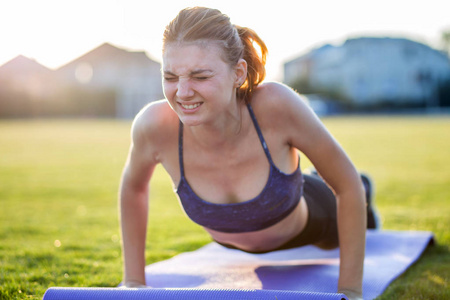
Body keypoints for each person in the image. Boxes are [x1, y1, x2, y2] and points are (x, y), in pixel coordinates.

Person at [119, 6, 378, 300]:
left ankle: (364, 189)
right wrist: (133, 281)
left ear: (238, 73)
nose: (183, 91)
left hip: (314, 225)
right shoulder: (153, 126)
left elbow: (346, 186)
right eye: (170, 77)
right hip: (233, 244)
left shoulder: (277, 105)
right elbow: (133, 188)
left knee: (357, 191)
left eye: (200, 76)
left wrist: (350, 291)